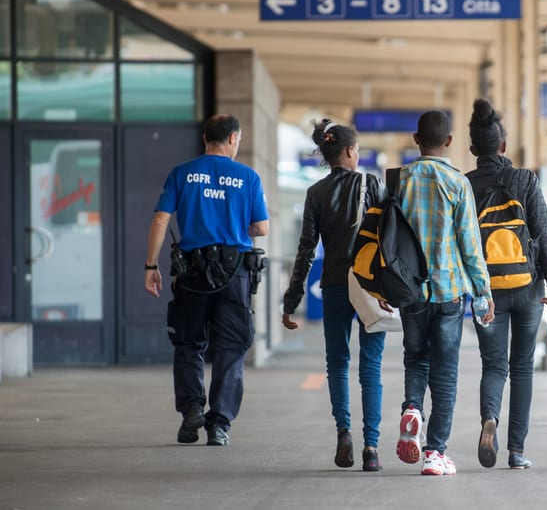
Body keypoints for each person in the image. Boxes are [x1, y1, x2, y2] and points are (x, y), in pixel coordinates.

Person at [144, 113, 269, 446]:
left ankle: (192, 409)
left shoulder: (182, 173)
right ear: (232, 139)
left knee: (189, 343)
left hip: (192, 273)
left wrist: (151, 266)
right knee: (231, 347)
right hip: (234, 273)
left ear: (205, 138)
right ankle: (220, 424)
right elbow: (261, 228)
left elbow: (160, 220)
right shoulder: (248, 177)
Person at [281, 120, 388, 472]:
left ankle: (344, 432)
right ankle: (371, 447)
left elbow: (306, 250)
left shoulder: (315, 193)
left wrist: (291, 299)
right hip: (369, 286)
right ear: (349, 151)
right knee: (370, 367)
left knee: (338, 363)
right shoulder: (371, 183)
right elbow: (390, 237)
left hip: (334, 285)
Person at [393, 110, 495, 476]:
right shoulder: (456, 182)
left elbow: (388, 238)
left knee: (415, 359)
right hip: (450, 291)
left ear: (416, 140)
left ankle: (411, 410)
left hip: (409, 290)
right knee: (446, 374)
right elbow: (470, 244)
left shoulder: (400, 180)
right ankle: (435, 453)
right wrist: (483, 291)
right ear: (449, 141)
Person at [464, 98, 547, 470]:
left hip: (484, 289)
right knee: (522, 367)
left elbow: (461, 242)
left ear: (473, 149)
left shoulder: (465, 185)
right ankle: (516, 450)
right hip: (527, 288)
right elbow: (543, 234)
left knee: (494, 365)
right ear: (504, 146)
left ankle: (490, 418)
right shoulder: (525, 180)